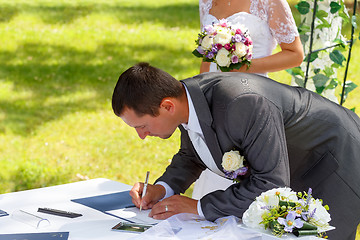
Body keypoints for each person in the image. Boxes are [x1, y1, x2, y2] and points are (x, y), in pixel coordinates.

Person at [112, 62, 360, 240]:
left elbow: (270, 183)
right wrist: (162, 188)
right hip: (290, 162)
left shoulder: (242, 103)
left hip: (335, 158)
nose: (141, 136)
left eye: (142, 126)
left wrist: (197, 207)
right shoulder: (186, 100)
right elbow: (192, 154)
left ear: (166, 106)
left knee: (317, 235)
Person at [195, 0, 305, 199]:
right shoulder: (206, 2)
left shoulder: (270, 2)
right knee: (215, 166)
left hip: (251, 97)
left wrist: (245, 66)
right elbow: (207, 57)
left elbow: (295, 54)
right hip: (213, 98)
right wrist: (199, 98)